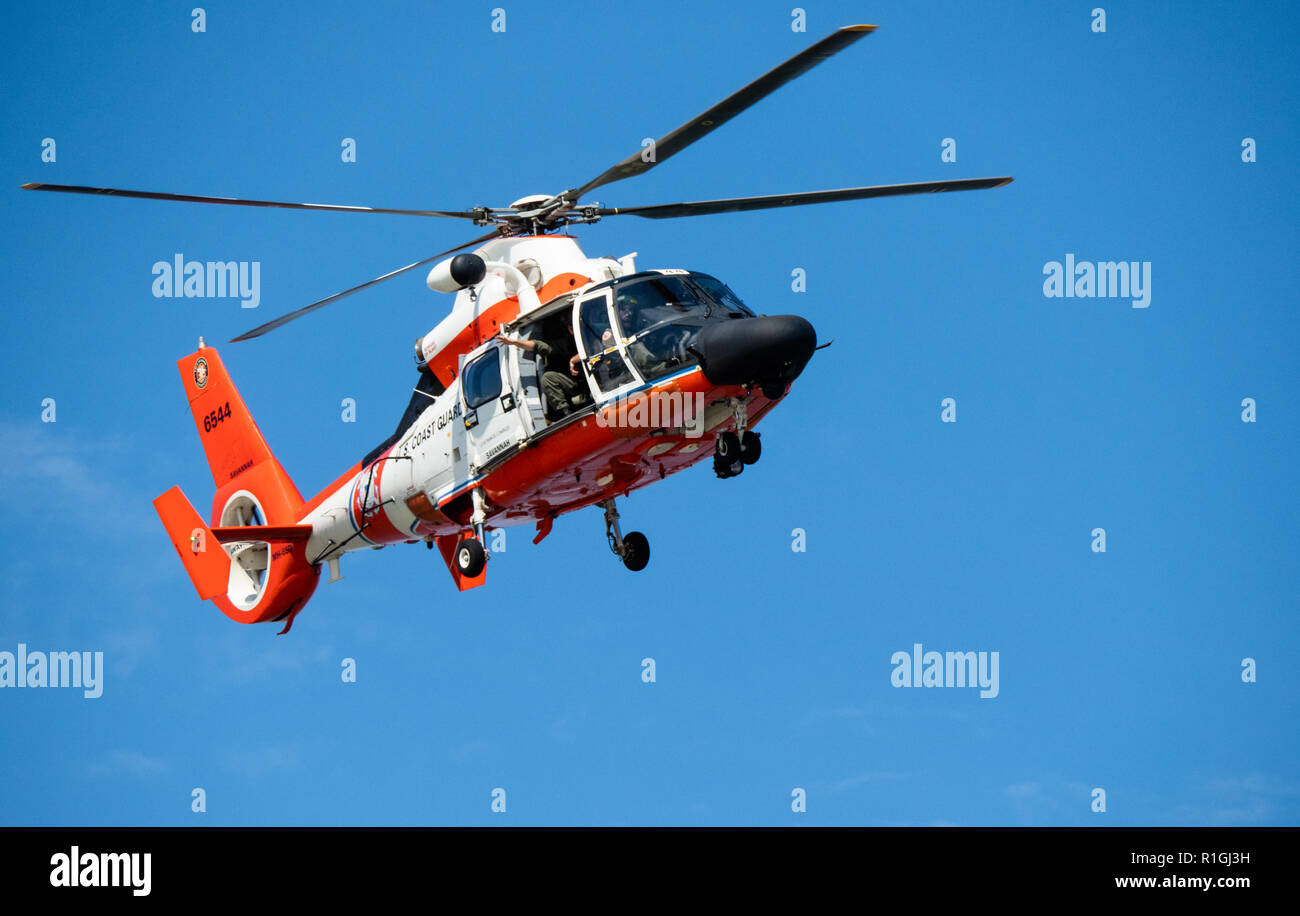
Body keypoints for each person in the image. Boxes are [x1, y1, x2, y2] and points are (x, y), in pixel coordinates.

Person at [500, 324, 584, 419]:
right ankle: (567, 414)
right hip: (579, 382)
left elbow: (591, 350)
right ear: (569, 329)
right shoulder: (567, 343)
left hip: (600, 378)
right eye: (572, 328)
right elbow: (538, 345)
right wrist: (514, 342)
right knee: (548, 378)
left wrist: (574, 359)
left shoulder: (594, 334)